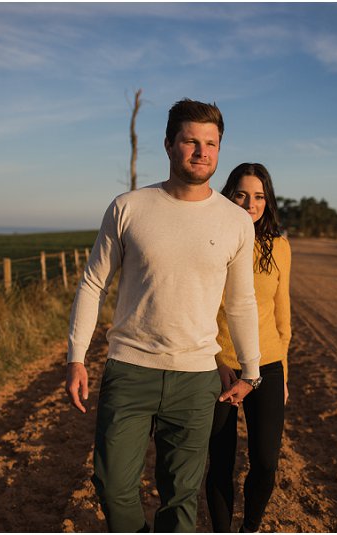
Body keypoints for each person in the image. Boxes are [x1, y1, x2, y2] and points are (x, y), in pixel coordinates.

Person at [65, 99, 263, 533]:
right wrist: (76, 358)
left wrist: (251, 370)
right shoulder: (129, 207)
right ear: (169, 144)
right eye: (191, 141)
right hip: (129, 370)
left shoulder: (235, 221)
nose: (202, 152)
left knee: (180, 498)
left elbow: (241, 301)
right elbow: (92, 284)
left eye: (211, 143)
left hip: (195, 380)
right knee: (111, 484)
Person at [205, 163, 292, 533]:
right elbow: (198, 308)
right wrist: (214, 358)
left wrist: (284, 373)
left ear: (267, 200)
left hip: (268, 366)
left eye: (258, 196)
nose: (250, 203)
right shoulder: (211, 240)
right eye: (241, 194)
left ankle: (250, 529)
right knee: (220, 464)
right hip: (219, 367)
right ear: (229, 196)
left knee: (266, 463)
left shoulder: (280, 247)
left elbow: (283, 318)